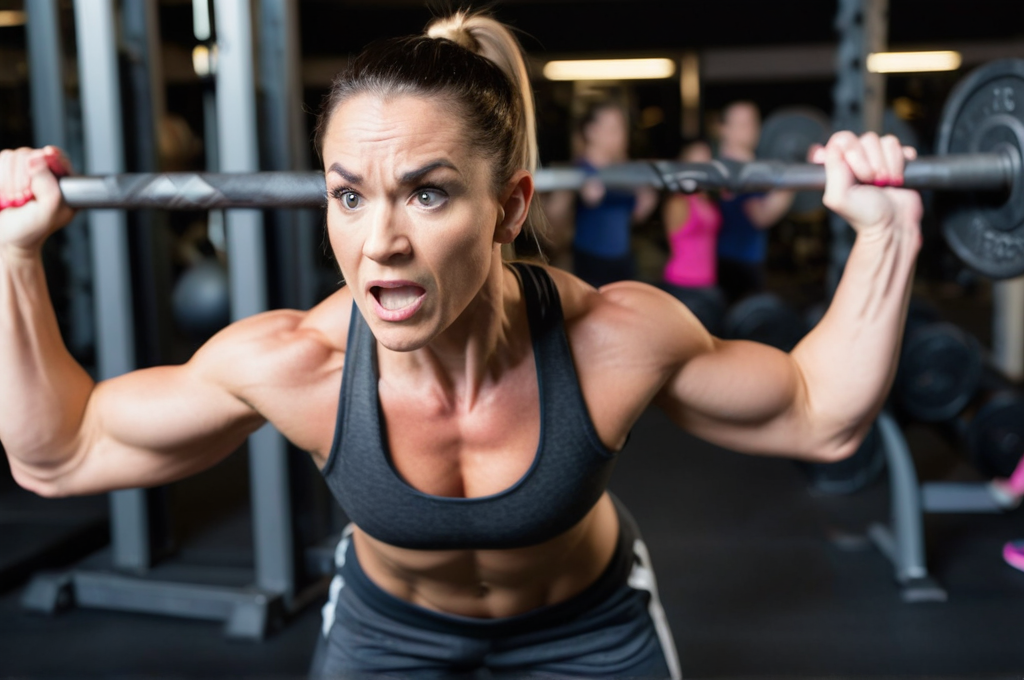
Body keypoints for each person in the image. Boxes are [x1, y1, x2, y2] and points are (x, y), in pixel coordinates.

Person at [0, 11, 922, 680]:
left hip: (590, 626)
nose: (380, 242)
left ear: (509, 208)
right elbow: (61, 453)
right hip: (387, 630)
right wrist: (14, 256)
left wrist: (885, 234)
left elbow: (819, 416)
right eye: (350, 195)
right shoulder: (298, 366)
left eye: (429, 193)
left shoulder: (612, 338)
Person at [545, 101, 658, 288]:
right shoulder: (577, 171)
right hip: (590, 262)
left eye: (621, 128)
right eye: (612, 128)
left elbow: (631, 218)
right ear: (591, 131)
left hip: (623, 261)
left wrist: (645, 203)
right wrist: (573, 196)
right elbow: (551, 225)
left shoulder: (623, 171)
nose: (619, 135)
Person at [714, 101, 797, 303]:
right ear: (724, 129)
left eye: (753, 123)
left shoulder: (751, 166)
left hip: (751, 258)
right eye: (742, 124)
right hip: (731, 264)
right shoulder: (729, 170)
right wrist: (791, 183)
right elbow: (760, 216)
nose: (750, 129)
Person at [660, 140, 726, 333]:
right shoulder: (678, 203)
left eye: (707, 163)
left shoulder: (707, 199)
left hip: (708, 284)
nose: (703, 169)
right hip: (682, 285)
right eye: (697, 163)